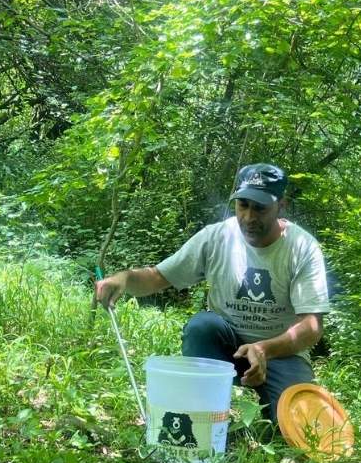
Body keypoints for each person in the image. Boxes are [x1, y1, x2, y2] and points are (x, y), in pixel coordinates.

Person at [94, 164, 330, 420]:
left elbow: (311, 326)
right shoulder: (217, 237)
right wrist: (125, 279)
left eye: (260, 208)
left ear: (281, 206)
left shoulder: (302, 248)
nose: (249, 217)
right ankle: (206, 408)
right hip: (225, 346)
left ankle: (267, 402)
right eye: (243, 205)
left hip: (281, 353)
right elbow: (158, 277)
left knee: (296, 423)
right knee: (201, 326)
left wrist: (264, 349)